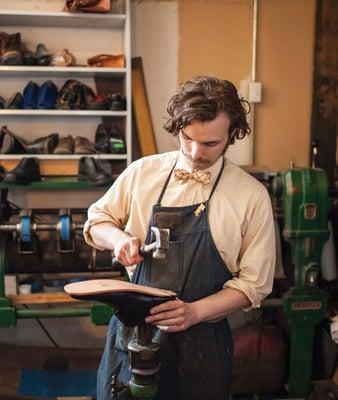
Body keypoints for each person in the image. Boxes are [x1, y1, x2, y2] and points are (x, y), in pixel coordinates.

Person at [83, 76, 276, 400]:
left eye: (210, 144)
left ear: (232, 135)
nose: (195, 152)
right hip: (133, 335)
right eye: (187, 139)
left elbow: (254, 285)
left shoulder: (251, 196)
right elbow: (97, 221)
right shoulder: (142, 173)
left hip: (203, 345)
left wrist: (196, 311)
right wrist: (117, 239)